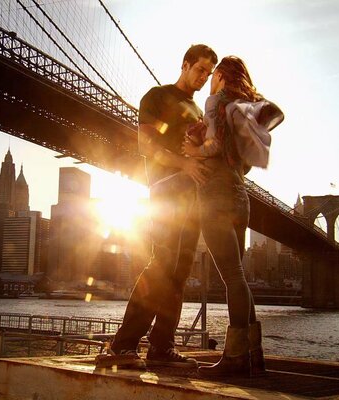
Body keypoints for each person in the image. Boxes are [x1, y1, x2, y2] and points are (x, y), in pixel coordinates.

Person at [95, 44, 218, 370]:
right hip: (166, 192)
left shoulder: (198, 110)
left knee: (178, 275)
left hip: (192, 199)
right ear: (185, 64)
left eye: (208, 73)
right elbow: (145, 145)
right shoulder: (158, 97)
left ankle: (162, 347)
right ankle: (123, 345)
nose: (203, 77)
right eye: (200, 69)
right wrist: (184, 164)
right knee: (161, 266)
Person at [182, 55, 284, 377]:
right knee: (238, 275)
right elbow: (243, 161)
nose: (210, 80)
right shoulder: (245, 111)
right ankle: (254, 355)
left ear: (223, 76)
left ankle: (236, 358)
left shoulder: (217, 101)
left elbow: (211, 149)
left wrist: (193, 150)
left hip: (215, 197)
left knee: (232, 277)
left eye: (214, 75)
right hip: (241, 200)